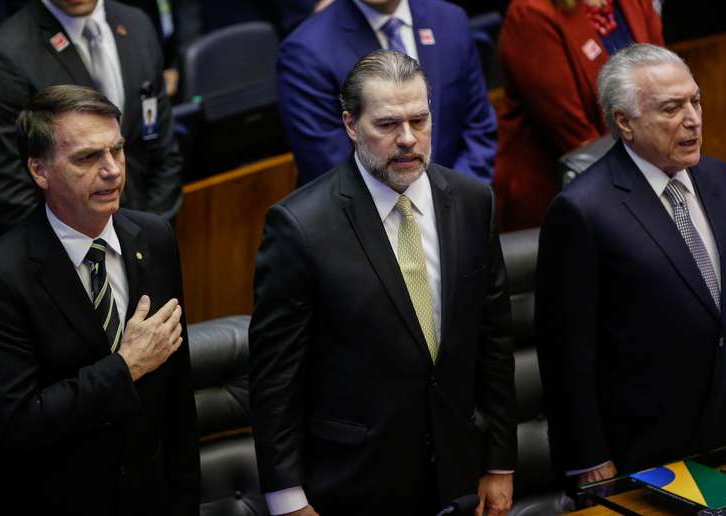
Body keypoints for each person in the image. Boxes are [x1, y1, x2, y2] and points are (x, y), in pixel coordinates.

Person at [250, 49, 516, 516]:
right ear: (351, 125)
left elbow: (493, 342)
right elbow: (277, 379)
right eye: (388, 125)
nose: (408, 139)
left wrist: (500, 461)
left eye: (420, 120)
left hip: (457, 473)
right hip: (354, 480)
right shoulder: (300, 225)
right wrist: (287, 497)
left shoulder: (474, 202)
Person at [0, 85, 199, 515]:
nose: (112, 171)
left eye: (117, 150)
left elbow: (176, 397)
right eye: (87, 158)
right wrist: (124, 367)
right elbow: (17, 423)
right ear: (39, 170)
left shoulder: (154, 237)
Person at [536, 43, 726, 485]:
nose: (694, 118)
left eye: (695, 100)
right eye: (671, 108)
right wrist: (588, 458)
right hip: (647, 448)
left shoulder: (720, 179)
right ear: (625, 121)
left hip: (722, 430)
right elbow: (567, 352)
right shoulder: (582, 210)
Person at [0, 0, 182, 236]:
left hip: (147, 237)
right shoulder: (4, 59)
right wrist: (92, 250)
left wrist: (147, 236)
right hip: (64, 256)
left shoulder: (137, 24)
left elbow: (164, 151)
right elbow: (9, 194)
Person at [277, 0, 497, 186]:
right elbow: (332, 171)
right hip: (366, 227)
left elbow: (479, 130)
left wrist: (450, 203)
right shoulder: (306, 52)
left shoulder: (450, 20)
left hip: (458, 211)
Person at [494, 0, 662, 231]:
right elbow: (577, 137)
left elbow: (663, 87)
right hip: (561, 197)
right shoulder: (531, 11)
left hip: (640, 172)